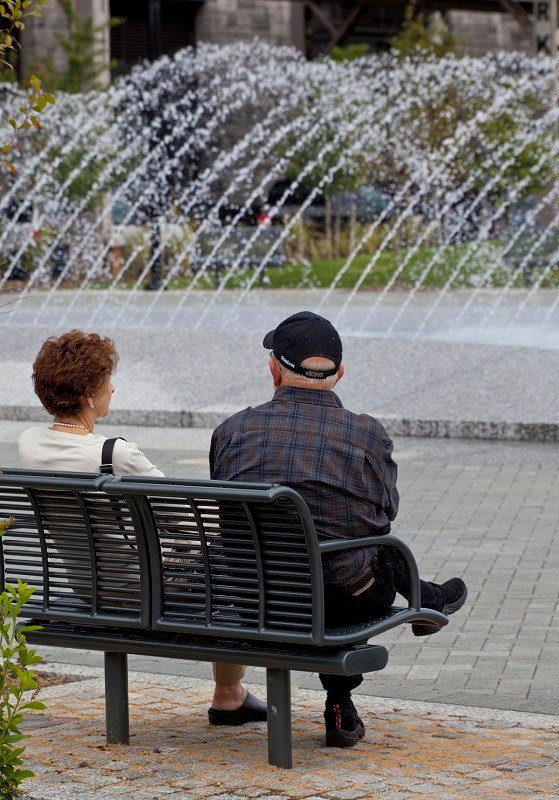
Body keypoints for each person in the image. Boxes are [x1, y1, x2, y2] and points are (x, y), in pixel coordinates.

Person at [210, 311, 467, 748]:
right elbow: (387, 511)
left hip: (257, 597)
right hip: (345, 601)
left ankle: (426, 599)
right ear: (339, 373)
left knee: (344, 555)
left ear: (274, 369)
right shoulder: (366, 434)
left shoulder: (232, 430)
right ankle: (419, 606)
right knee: (370, 553)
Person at [19, 329, 266, 727]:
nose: (113, 389)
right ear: (87, 393)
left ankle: (231, 694)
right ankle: (229, 694)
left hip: (87, 587)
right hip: (143, 592)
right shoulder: (115, 453)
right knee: (240, 562)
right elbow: (189, 520)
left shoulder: (29, 443)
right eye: (106, 382)